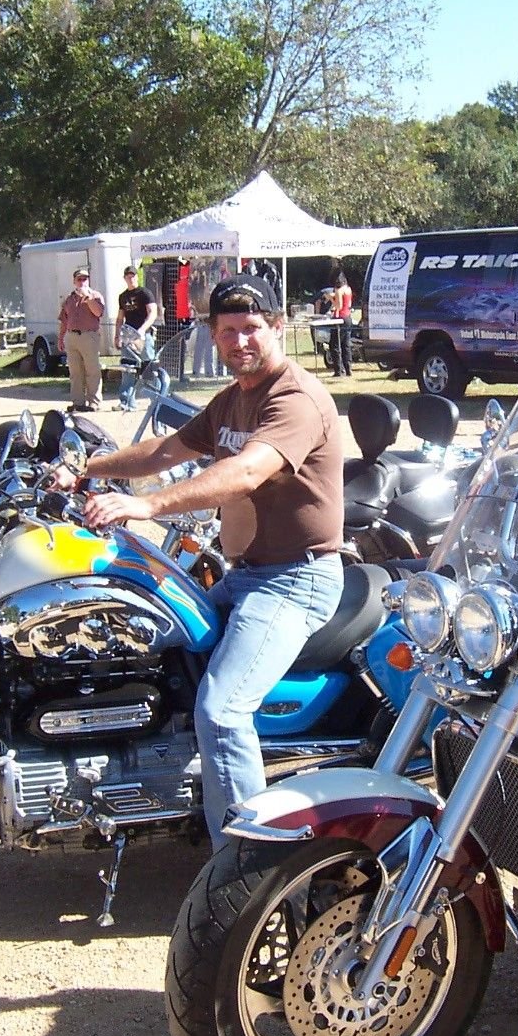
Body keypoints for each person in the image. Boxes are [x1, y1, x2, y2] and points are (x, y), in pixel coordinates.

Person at [67, 274, 345, 846]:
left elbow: (245, 470)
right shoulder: (233, 398)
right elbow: (167, 449)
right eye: (227, 332)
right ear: (213, 337)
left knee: (223, 710)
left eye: (251, 329)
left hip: (296, 581)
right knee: (150, 650)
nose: (240, 341)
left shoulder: (295, 398)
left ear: (278, 328)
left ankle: (242, 862)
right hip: (246, 576)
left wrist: (147, 505)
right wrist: (88, 470)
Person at [58, 266, 106, 411]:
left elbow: (98, 313)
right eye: (79, 279)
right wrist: (61, 338)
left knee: (92, 370)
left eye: (85, 279)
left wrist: (88, 297)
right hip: (72, 336)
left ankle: (94, 402)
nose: (82, 282)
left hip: (89, 336)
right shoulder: (69, 299)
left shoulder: (95, 295)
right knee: (75, 372)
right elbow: (64, 320)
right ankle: (78, 402)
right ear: (74, 281)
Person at [115, 264, 157, 411]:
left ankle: (156, 399)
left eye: (133, 276)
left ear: (137, 276)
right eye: (128, 276)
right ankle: (126, 402)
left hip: (143, 335)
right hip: (128, 336)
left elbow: (153, 313)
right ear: (125, 278)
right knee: (128, 368)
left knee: (149, 368)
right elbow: (120, 318)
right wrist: (117, 335)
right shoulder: (123, 297)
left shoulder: (145, 293)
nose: (131, 278)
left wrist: (143, 329)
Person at [331, 271, 354, 377]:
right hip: (348, 317)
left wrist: (331, 298)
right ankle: (348, 369)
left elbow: (338, 306)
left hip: (340, 318)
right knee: (346, 344)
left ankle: (338, 370)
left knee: (335, 344)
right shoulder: (348, 289)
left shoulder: (339, 290)